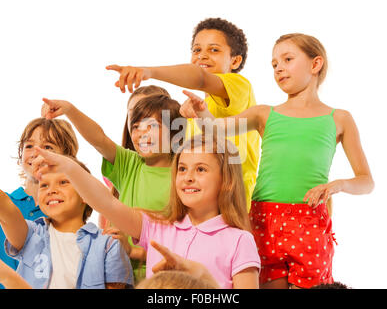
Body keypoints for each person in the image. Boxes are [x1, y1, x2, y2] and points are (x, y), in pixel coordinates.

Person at [179, 33, 374, 289]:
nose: (279, 68)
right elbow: (216, 130)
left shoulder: (339, 118)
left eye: (287, 59)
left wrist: (336, 185)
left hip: (310, 222)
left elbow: (366, 181)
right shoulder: (264, 114)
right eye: (274, 64)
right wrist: (202, 112)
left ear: (316, 64)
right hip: (263, 219)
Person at [32, 133, 261, 289]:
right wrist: (68, 167)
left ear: (226, 180)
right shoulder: (155, 226)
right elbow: (106, 203)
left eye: (201, 169)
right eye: (182, 169)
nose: (188, 176)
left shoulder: (239, 241)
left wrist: (202, 278)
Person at [106, 17, 260, 210]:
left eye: (214, 49)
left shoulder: (239, 87)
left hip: (232, 209)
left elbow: (201, 79)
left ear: (235, 61)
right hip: (200, 214)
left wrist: (149, 72)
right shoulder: (193, 109)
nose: (202, 56)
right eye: (197, 50)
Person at [41, 93, 184, 283]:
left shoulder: (183, 177)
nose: (142, 133)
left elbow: (182, 240)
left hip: (156, 280)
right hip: (114, 275)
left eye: (152, 126)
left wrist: (133, 251)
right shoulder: (130, 164)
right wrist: (69, 110)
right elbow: (99, 139)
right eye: (135, 127)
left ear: (175, 133)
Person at [0, 158, 133, 289]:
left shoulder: (108, 245)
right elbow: (6, 208)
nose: (51, 190)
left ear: (86, 194)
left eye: (63, 182)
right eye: (44, 185)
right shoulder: (31, 234)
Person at [0, 117, 79, 289]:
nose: (36, 152)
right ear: (21, 154)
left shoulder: (66, 215)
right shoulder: (5, 203)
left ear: (66, 158)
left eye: (48, 147)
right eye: (29, 146)